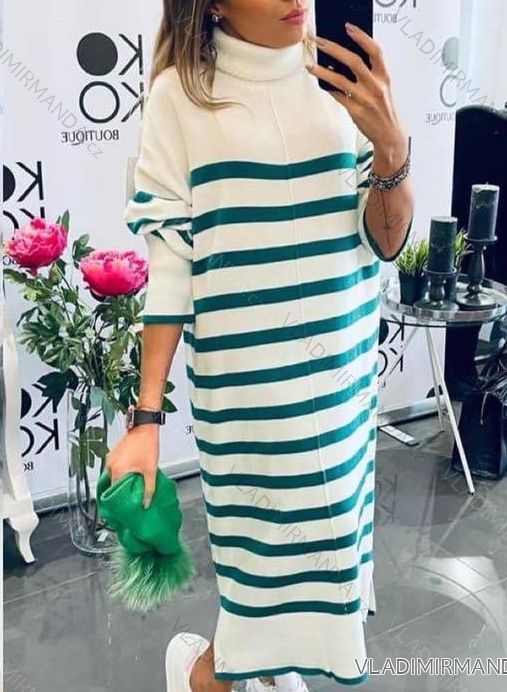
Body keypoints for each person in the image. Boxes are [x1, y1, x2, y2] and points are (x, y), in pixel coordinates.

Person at [106, 1, 414, 690]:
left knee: (330, 564)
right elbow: (171, 269)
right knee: (258, 577)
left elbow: (386, 242)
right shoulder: (180, 97)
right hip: (249, 401)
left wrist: (391, 148)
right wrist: (146, 420)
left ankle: (268, 674)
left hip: (340, 391)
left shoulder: (342, 81)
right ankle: (206, 676)